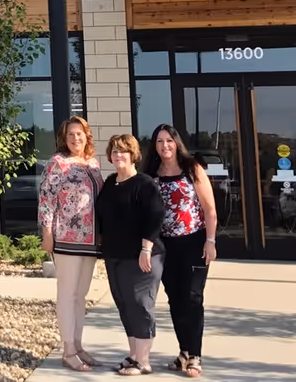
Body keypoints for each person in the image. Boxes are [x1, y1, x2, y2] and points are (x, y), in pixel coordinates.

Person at [144, 124, 218, 378]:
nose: (165, 146)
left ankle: (196, 355)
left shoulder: (192, 168)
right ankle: (184, 351)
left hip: (193, 242)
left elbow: (209, 209)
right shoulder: (152, 173)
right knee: (175, 299)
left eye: (169, 141)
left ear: (177, 143)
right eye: (159, 141)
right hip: (166, 246)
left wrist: (210, 240)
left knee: (192, 297)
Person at [95, 133, 165, 377]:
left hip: (142, 256)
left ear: (133, 155)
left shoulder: (144, 184)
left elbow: (155, 217)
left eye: (123, 151)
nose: (118, 155)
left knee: (140, 304)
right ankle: (133, 355)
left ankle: (144, 362)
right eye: (114, 151)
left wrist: (146, 249)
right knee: (124, 305)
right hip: (115, 256)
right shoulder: (111, 182)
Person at [38, 115, 103, 371]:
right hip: (66, 238)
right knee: (67, 294)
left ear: (87, 136)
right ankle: (67, 350)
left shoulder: (93, 164)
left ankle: (78, 345)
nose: (76, 138)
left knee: (81, 295)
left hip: (90, 241)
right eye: (70, 135)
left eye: (80, 133)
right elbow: (46, 200)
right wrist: (47, 234)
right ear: (63, 139)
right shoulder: (57, 164)